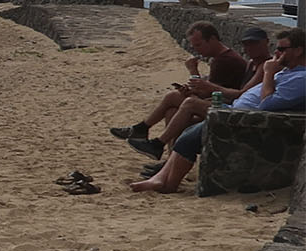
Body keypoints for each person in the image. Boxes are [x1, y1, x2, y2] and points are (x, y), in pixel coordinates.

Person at [130, 27, 306, 193]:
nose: (277, 53)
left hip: (242, 117)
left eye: (282, 49)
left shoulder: (300, 77)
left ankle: (166, 179)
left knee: (192, 126)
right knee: (182, 116)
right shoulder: (284, 70)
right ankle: (162, 173)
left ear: (298, 50)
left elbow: (267, 103)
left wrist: (268, 72)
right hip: (233, 110)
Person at [122, 27, 272, 159]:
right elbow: (209, 89)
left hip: (235, 108)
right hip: (229, 103)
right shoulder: (251, 63)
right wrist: (198, 88)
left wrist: (195, 76)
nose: (249, 48)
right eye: (246, 44)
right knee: (173, 110)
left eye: (254, 44)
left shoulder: (241, 62)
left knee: (182, 102)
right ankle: (166, 159)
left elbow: (237, 93)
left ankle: (154, 141)